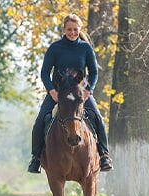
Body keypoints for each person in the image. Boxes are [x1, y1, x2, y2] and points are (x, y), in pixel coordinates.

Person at [27, 14, 113, 174]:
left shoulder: (86, 48)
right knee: (40, 120)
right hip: (58, 93)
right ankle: (36, 158)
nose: (72, 32)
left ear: (79, 29)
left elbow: (93, 73)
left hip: (80, 93)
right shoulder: (55, 48)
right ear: (64, 30)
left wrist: (89, 91)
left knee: (98, 119)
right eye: (69, 29)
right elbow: (45, 72)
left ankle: (104, 155)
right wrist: (51, 91)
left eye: (75, 29)